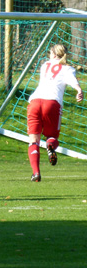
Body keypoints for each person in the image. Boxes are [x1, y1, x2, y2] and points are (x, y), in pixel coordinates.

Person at [27, 44, 83, 182]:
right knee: (52, 137)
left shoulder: (44, 65)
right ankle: (50, 145)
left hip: (34, 101)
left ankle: (36, 173)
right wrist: (79, 90)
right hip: (52, 103)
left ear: (53, 54)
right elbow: (72, 81)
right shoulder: (68, 69)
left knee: (33, 140)